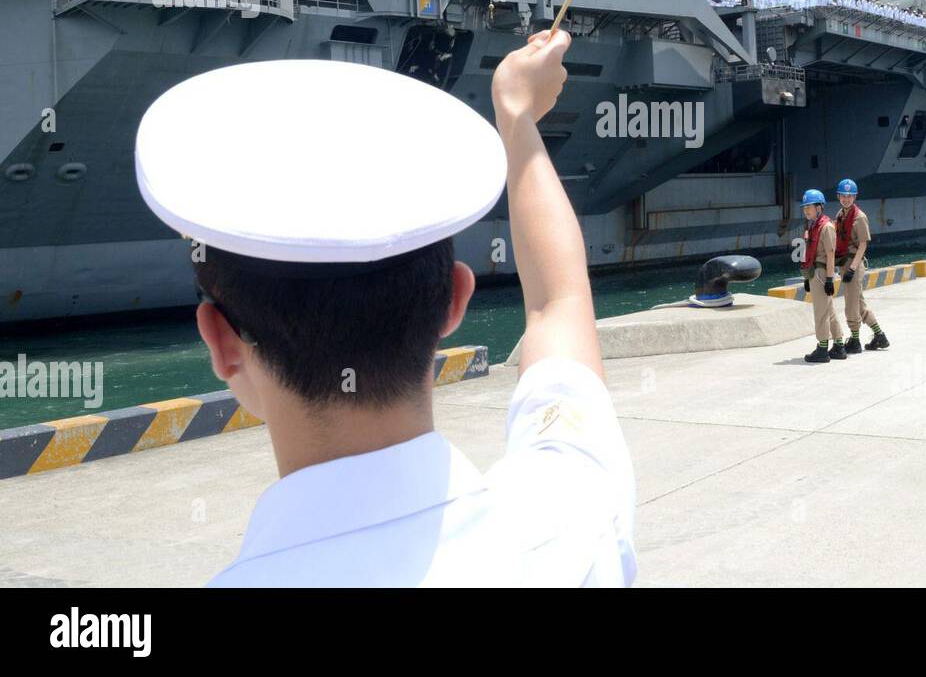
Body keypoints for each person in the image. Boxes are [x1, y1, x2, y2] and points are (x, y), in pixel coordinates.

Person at [132, 30, 636, 586]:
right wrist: (516, 119)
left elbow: (557, 305)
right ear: (454, 299)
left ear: (220, 341)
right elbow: (557, 306)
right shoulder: (571, 508)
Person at [832, 179, 888, 353]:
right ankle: (879, 335)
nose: (846, 199)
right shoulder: (840, 214)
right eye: (843, 195)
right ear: (838, 196)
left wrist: (852, 268)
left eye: (850, 196)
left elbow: (863, 245)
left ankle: (855, 340)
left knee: (851, 303)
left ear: (855, 196)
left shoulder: (860, 217)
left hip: (853, 263)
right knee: (859, 303)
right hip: (844, 262)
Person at [800, 189, 844, 363]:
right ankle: (839, 345)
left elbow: (830, 254)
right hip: (815, 272)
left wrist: (829, 279)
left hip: (821, 272)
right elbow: (809, 252)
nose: (806, 210)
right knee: (829, 310)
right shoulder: (813, 226)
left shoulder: (825, 227)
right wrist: (806, 277)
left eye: (809, 207)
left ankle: (823, 348)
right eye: (804, 207)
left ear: (819, 208)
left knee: (820, 312)